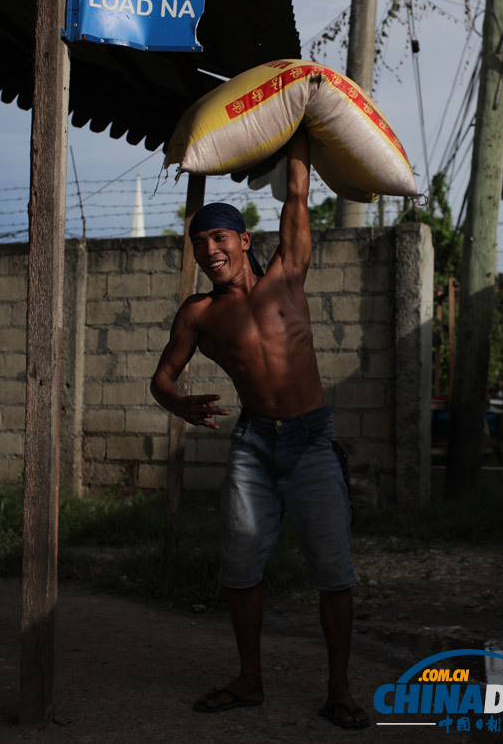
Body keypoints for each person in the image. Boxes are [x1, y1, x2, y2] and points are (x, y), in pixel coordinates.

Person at [150, 126, 368, 730]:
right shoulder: (197, 313)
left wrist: (299, 121)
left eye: (218, 237)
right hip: (253, 446)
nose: (208, 250)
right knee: (240, 570)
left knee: (334, 571)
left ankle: (339, 691)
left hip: (311, 441)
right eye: (199, 244)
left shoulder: (285, 278)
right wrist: (181, 405)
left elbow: (296, 197)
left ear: (244, 239)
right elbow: (161, 378)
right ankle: (250, 680)